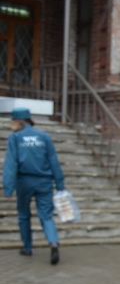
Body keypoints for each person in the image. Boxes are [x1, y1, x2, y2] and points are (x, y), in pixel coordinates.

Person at [3, 107, 65, 265]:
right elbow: (53, 161)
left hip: (24, 182)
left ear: (16, 121)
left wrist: (8, 188)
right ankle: (53, 242)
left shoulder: (15, 138)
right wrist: (60, 184)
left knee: (24, 215)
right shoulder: (44, 137)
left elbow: (11, 164)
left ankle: (27, 247)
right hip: (44, 182)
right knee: (46, 216)